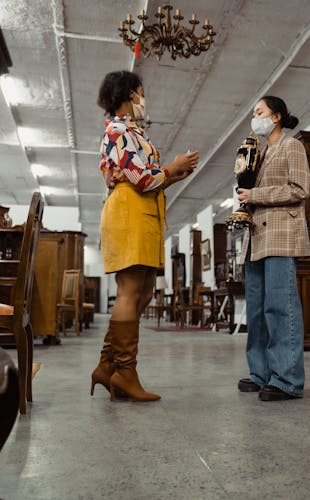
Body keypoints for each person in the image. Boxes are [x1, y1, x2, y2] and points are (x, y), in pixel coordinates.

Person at [91, 70, 198, 402]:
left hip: (145, 211)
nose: (143, 98)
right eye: (140, 92)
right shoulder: (118, 130)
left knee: (145, 291)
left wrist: (174, 174)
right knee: (130, 289)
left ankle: (108, 365)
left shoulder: (133, 131)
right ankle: (125, 371)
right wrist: (171, 167)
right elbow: (139, 177)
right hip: (129, 211)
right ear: (129, 94)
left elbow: (148, 177)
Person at [236, 96, 310, 401]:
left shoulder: (292, 146)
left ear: (277, 116)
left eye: (260, 112)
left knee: (280, 308)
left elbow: (299, 189)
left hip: (280, 234)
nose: (255, 117)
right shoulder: (260, 152)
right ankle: (261, 373)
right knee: (256, 311)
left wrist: (255, 194)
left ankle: (287, 380)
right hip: (256, 238)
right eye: (253, 113)